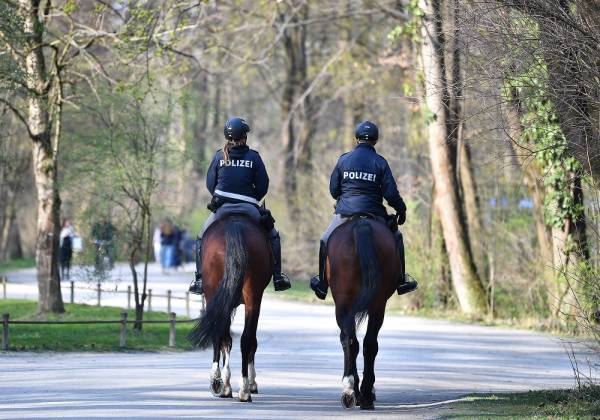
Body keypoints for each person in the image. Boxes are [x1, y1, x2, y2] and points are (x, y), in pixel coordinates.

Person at [309, 120, 418, 299]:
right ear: (375, 140)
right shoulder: (380, 162)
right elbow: (391, 193)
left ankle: (322, 282)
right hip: (374, 213)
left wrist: (344, 197)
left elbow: (334, 190)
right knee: (397, 238)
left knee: (325, 239)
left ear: (357, 138)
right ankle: (401, 280)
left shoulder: (344, 159)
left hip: (345, 213)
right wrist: (401, 209)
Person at [188, 117, 291, 295]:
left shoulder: (219, 155)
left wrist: (219, 197)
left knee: (201, 237)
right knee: (273, 235)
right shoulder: (254, 157)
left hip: (222, 208)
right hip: (249, 207)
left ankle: (199, 279)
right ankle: (278, 276)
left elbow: (210, 183)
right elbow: (263, 185)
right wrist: (251, 198)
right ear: (244, 136)